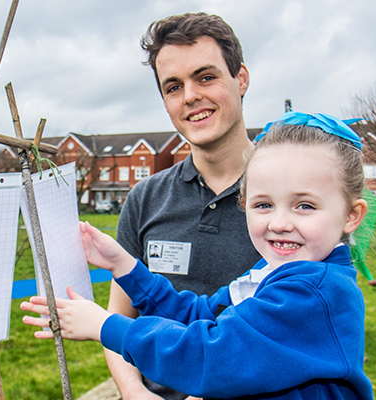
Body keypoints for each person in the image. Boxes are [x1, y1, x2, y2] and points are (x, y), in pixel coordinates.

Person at [22, 113, 374, 399]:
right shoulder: (273, 271)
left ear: (351, 215)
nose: (279, 223)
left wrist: (103, 326)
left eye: (305, 205)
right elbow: (200, 316)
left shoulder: (314, 293)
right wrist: (125, 266)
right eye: (263, 204)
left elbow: (209, 357)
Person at [109, 12, 263, 399]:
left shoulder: (295, 196)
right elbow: (119, 319)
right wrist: (134, 392)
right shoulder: (144, 200)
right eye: (173, 87)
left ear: (240, 78)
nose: (191, 96)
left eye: (206, 77)